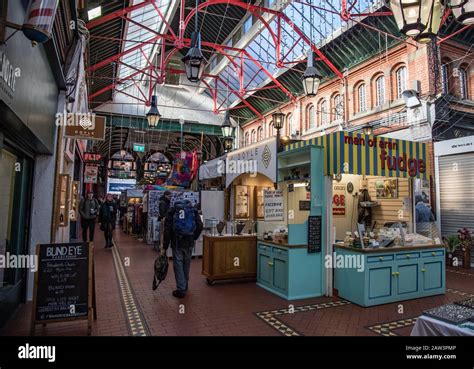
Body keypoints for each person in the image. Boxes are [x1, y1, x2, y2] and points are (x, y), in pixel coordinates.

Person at [163, 200, 203, 298]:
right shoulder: (193, 210)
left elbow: (167, 230)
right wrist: (194, 237)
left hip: (177, 241)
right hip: (189, 241)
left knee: (178, 265)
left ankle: (181, 289)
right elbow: (200, 226)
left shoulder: (172, 210)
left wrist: (165, 246)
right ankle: (185, 285)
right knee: (186, 264)